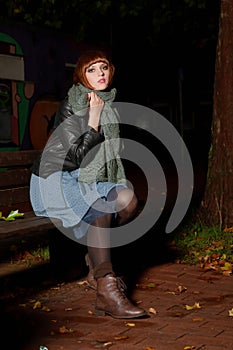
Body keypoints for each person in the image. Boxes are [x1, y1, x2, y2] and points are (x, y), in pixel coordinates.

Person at [30, 49, 147, 319]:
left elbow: (107, 157)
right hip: (55, 178)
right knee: (102, 209)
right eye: (91, 70)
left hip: (82, 179)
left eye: (103, 67)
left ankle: (96, 263)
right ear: (81, 76)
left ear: (111, 70)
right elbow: (75, 157)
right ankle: (106, 289)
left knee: (127, 200)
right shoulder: (72, 104)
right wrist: (93, 120)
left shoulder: (108, 103)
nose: (99, 74)